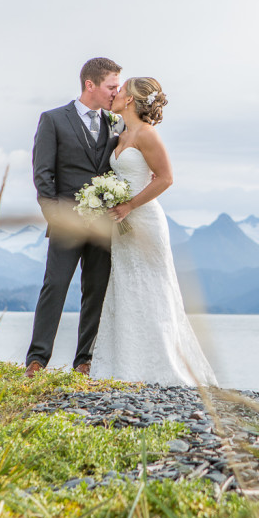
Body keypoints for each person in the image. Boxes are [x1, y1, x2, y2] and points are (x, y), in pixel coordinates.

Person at [90, 77, 218, 386]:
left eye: (120, 90)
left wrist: (130, 205)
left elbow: (165, 178)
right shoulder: (120, 134)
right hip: (122, 225)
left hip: (145, 220)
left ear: (130, 100)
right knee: (126, 288)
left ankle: (163, 365)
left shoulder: (147, 134)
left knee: (154, 289)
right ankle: (126, 363)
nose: (115, 94)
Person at [24, 57, 123, 377]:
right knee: (54, 286)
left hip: (103, 225)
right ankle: (37, 359)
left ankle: (85, 360)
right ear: (90, 85)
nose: (116, 92)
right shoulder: (53, 120)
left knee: (96, 290)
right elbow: (43, 175)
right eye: (111, 86)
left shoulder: (116, 123)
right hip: (66, 223)